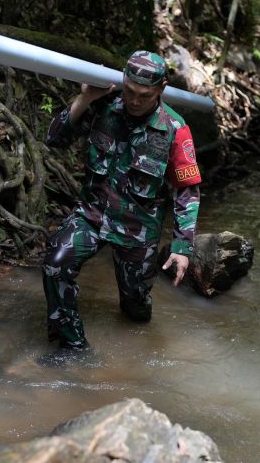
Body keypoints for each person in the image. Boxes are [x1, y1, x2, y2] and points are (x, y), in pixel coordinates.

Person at [42, 51, 201, 351]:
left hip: (138, 230)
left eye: (145, 95)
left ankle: (137, 350)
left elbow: (187, 191)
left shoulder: (175, 130)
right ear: (123, 80)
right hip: (92, 214)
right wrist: (84, 99)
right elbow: (54, 139)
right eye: (130, 91)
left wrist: (182, 247)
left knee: (135, 308)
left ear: (161, 89)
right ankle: (72, 349)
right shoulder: (103, 105)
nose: (135, 100)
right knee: (56, 262)